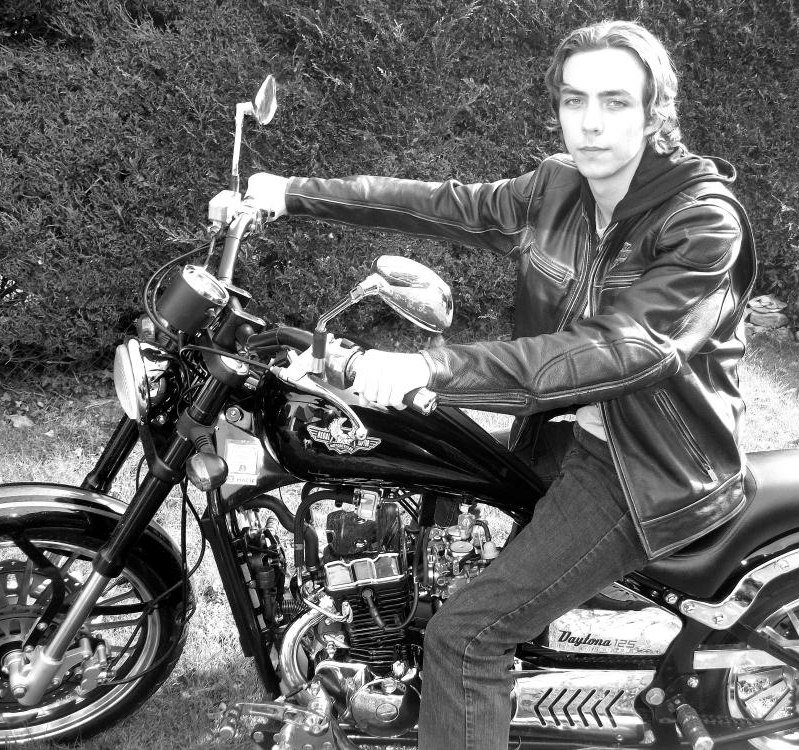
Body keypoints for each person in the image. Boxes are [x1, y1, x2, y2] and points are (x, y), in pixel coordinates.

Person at [243, 19, 756, 750]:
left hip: (641, 464)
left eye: (615, 101)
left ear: (655, 112)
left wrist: (430, 368)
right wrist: (291, 193)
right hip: (560, 424)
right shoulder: (559, 187)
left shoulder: (701, 221)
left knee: (467, 635)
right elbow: (439, 203)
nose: (590, 122)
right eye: (574, 100)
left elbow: (623, 347)